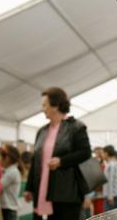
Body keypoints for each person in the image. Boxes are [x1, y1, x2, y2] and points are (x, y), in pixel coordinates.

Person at [24, 87, 92, 220]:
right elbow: (35, 161)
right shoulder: (42, 131)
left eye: (44, 105)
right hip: (41, 190)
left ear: (55, 106)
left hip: (66, 193)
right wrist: (29, 188)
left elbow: (85, 152)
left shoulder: (76, 127)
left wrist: (61, 161)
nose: (43, 108)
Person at [0, 144, 23, 220]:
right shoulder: (5, 170)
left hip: (8, 210)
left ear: (7, 158)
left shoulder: (12, 172)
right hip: (4, 208)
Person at [102, 145, 117, 211]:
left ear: (106, 153)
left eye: (103, 153)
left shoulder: (111, 165)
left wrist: (110, 196)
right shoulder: (112, 164)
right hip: (115, 195)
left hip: (113, 196)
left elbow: (110, 181)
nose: (102, 155)